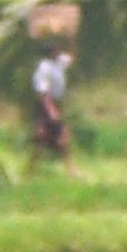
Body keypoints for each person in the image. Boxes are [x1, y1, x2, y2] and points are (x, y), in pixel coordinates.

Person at [30, 39, 77, 175]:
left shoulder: (59, 62)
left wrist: (71, 37)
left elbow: (72, 57)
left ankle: (30, 171)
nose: (59, 51)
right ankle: (71, 170)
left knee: (52, 138)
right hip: (46, 105)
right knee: (50, 137)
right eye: (56, 49)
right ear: (50, 52)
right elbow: (42, 93)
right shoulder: (43, 68)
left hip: (56, 103)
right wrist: (51, 111)